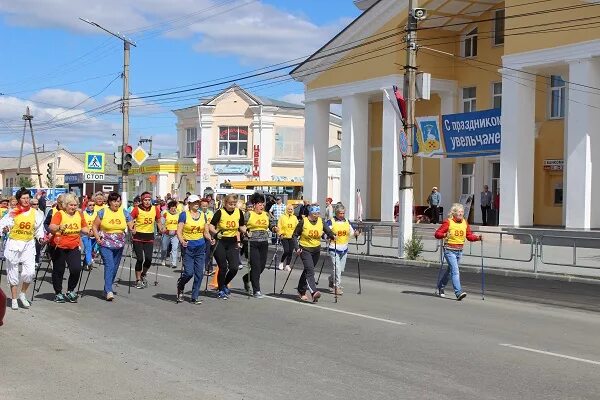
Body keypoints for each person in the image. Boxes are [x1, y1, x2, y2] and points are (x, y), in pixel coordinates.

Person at [0, 187, 45, 310]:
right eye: (23, 198)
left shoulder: (36, 213)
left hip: (28, 244)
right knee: (13, 272)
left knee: (29, 272)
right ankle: (14, 299)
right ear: (19, 200)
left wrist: (41, 238)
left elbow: (39, 230)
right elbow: (3, 224)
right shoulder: (13, 212)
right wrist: (4, 229)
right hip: (14, 244)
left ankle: (23, 294)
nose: (26, 200)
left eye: (27, 198)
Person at [434, 203, 482, 301]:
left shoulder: (465, 222)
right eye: (459, 212)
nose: (461, 214)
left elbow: (469, 236)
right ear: (454, 213)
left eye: (462, 212)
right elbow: (437, 233)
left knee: (450, 271)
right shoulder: (448, 222)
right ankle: (458, 292)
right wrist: (444, 235)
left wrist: (478, 238)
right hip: (449, 250)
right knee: (455, 271)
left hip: (459, 251)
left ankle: (441, 286)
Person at [92, 192, 134, 301]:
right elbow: (95, 226)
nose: (117, 203)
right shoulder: (103, 212)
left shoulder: (124, 212)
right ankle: (109, 290)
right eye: (115, 201)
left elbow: (130, 223)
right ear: (110, 202)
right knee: (109, 265)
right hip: (105, 242)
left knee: (115, 267)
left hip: (119, 243)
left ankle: (106, 289)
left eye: (119, 201)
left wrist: (133, 229)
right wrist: (97, 238)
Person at [49, 193, 88, 303]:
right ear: (65, 205)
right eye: (71, 205)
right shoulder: (59, 214)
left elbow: (84, 227)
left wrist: (87, 231)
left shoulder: (79, 214)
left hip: (73, 246)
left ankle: (70, 290)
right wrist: (59, 227)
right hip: (59, 246)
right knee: (59, 270)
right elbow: (52, 227)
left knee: (76, 269)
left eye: (75, 205)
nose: (73, 207)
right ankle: (58, 292)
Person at [206, 194, 246, 299]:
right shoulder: (220, 212)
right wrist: (215, 233)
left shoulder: (238, 212)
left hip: (232, 241)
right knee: (223, 267)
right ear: (225, 203)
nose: (232, 206)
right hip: (220, 242)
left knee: (234, 267)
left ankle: (223, 284)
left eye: (234, 204)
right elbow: (211, 226)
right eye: (230, 204)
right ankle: (220, 290)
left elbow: (241, 225)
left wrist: (247, 231)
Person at [292, 205, 335, 302]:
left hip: (316, 250)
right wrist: (297, 248)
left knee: (308, 270)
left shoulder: (320, 221)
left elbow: (328, 231)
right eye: (315, 214)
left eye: (318, 213)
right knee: (310, 270)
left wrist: (332, 236)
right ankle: (313, 292)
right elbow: (294, 235)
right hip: (305, 249)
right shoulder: (304, 221)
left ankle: (301, 291)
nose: (317, 215)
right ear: (310, 213)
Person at [176, 195, 210, 304]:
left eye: (197, 202)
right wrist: (182, 241)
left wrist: (210, 238)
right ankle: (181, 285)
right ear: (189, 204)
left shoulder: (203, 215)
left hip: (200, 247)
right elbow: (179, 231)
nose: (196, 203)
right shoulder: (184, 215)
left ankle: (194, 296)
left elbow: (205, 231)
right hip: (188, 247)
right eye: (194, 202)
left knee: (199, 273)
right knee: (189, 273)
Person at [241, 193, 274, 298]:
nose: (262, 206)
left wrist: (275, 228)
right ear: (254, 204)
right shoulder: (248, 214)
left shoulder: (266, 214)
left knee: (261, 266)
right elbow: (241, 225)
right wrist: (246, 231)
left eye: (262, 204)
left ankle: (247, 278)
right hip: (251, 242)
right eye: (259, 204)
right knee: (255, 266)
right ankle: (256, 290)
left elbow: (271, 224)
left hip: (264, 242)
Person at [130, 192, 163, 289]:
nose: (147, 202)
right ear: (142, 200)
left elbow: (158, 220)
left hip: (149, 236)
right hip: (138, 236)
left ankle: (143, 274)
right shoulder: (137, 209)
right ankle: (138, 280)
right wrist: (132, 227)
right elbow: (129, 219)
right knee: (140, 259)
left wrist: (161, 228)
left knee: (148, 259)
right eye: (145, 200)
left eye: (149, 200)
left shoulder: (155, 209)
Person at [326, 203, 359, 295]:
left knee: (341, 269)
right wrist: (329, 237)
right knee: (337, 268)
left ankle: (331, 279)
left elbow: (351, 234)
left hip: (344, 249)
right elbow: (325, 233)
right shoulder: (331, 221)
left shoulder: (347, 221)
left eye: (343, 213)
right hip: (334, 248)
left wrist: (355, 234)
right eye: (340, 213)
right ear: (336, 213)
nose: (342, 215)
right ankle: (337, 287)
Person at [275, 204, 298, 271]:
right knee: (286, 250)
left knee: (290, 251)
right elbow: (279, 226)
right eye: (289, 209)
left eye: (291, 209)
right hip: (284, 236)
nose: (290, 210)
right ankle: (281, 262)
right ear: (286, 210)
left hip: (292, 237)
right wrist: (280, 234)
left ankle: (287, 265)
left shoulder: (294, 218)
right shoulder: (282, 217)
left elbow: (297, 227)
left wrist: (297, 234)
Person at [161, 200, 180, 268]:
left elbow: (180, 224)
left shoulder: (178, 214)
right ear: (169, 208)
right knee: (164, 248)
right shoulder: (165, 213)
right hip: (166, 234)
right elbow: (161, 223)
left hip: (175, 234)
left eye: (174, 208)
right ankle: (163, 259)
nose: (173, 209)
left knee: (174, 248)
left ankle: (173, 263)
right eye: (171, 208)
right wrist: (163, 228)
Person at [81, 200, 97, 271]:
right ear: (86, 205)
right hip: (85, 234)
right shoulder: (83, 213)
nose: (92, 206)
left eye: (93, 205)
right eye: (90, 205)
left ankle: (85, 263)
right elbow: (80, 224)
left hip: (94, 234)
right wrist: (86, 231)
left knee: (92, 250)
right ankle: (89, 263)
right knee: (88, 248)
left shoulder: (97, 213)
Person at [200, 198, 215, 274]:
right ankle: (200, 267)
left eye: (206, 206)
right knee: (201, 252)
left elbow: (213, 223)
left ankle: (209, 268)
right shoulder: (198, 213)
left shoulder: (211, 213)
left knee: (209, 252)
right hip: (200, 234)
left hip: (209, 233)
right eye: (203, 206)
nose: (204, 207)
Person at [29, 198, 45, 267]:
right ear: (31, 205)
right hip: (30, 233)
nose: (36, 205)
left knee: (38, 247)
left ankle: (37, 260)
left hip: (38, 233)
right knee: (31, 248)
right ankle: (31, 261)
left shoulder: (41, 212)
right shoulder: (28, 212)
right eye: (34, 204)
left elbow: (43, 223)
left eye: (37, 204)